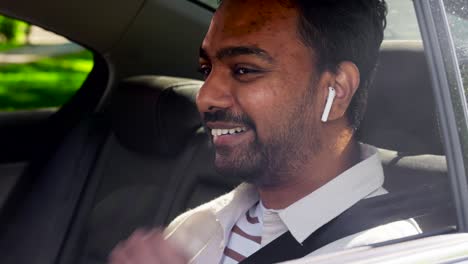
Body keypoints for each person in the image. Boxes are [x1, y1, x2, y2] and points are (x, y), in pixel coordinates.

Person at [109, 0, 421, 263]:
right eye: (206, 70)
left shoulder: (386, 252)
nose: (205, 97)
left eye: (244, 69)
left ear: (335, 91)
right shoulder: (197, 226)